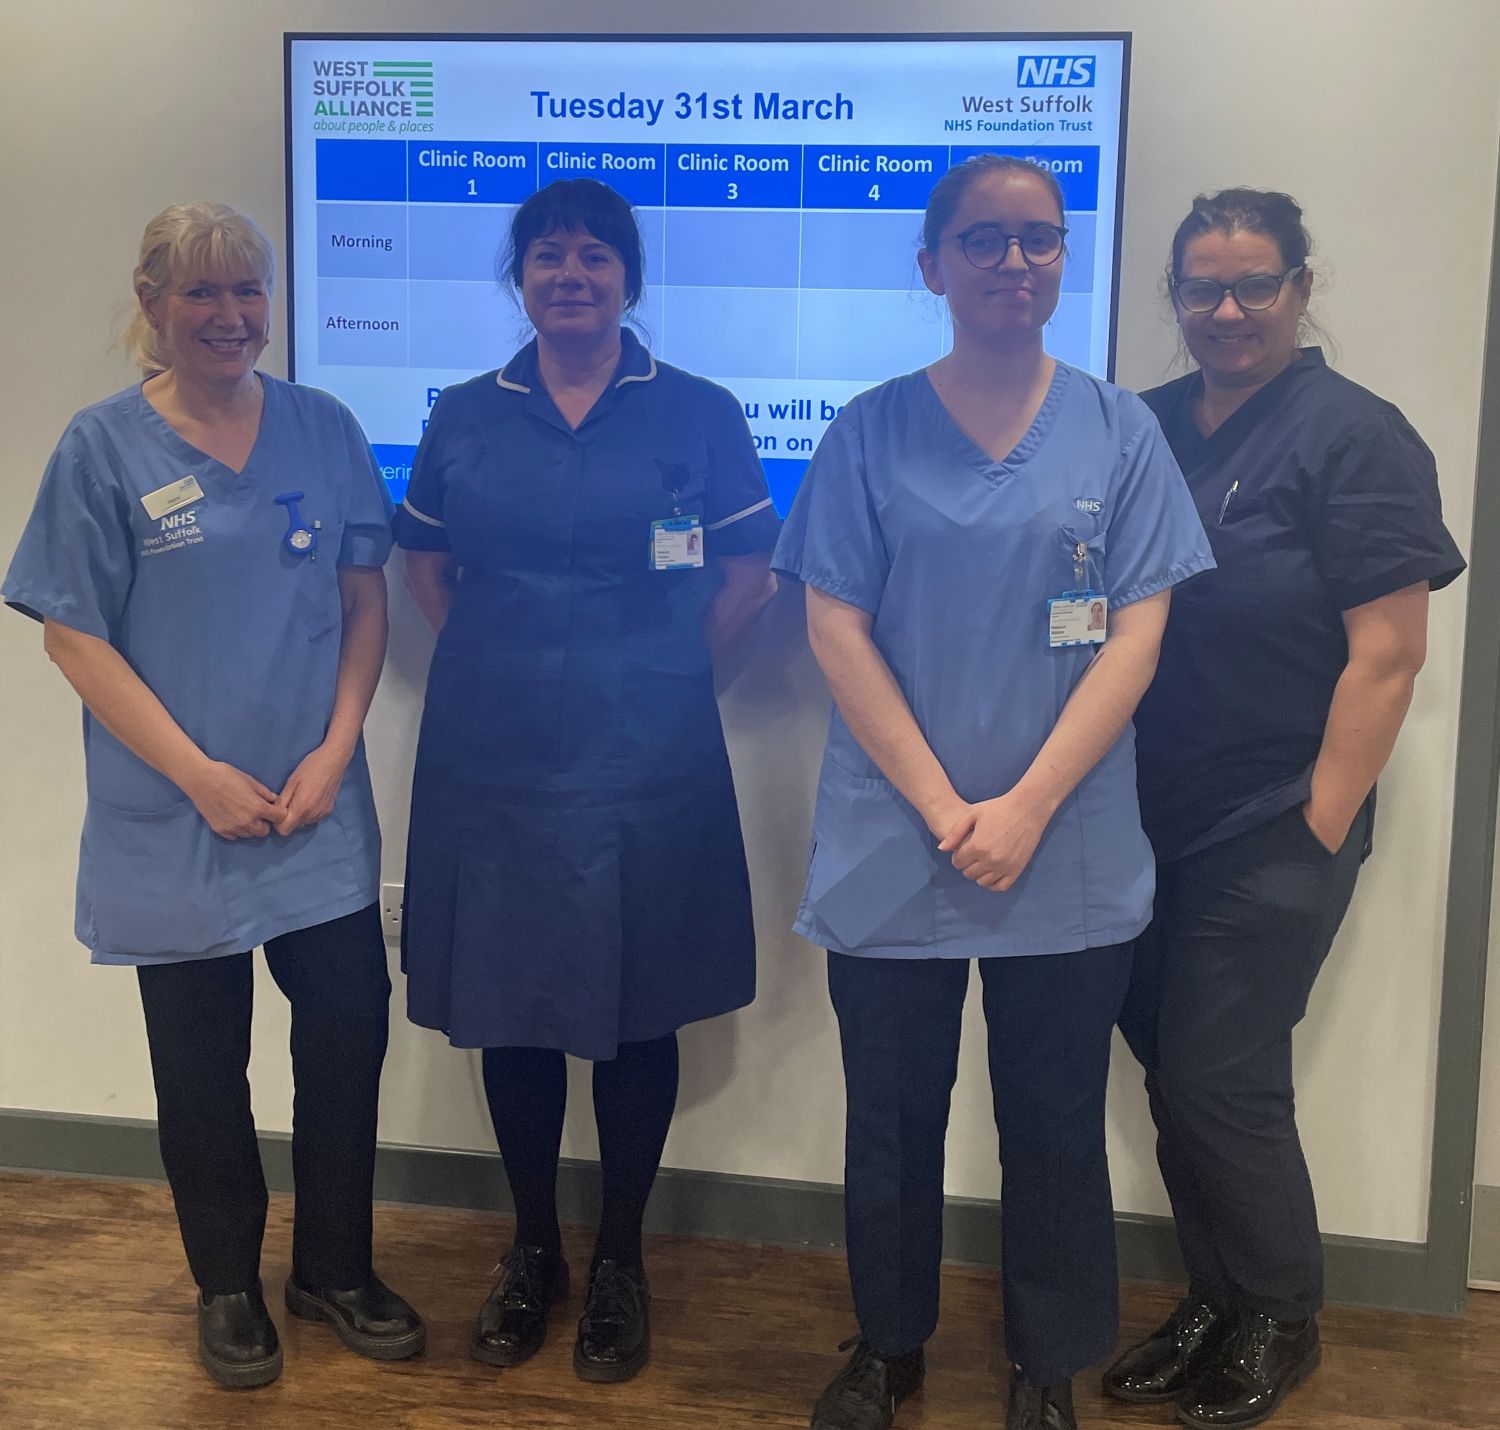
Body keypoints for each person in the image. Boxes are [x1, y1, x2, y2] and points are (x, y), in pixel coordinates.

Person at [771, 154, 1214, 1430]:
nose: (1015, 264)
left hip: (1061, 842)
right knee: (893, 1118)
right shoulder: (867, 429)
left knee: (1056, 1124)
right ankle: (890, 1343)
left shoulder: (1120, 430)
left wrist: (1022, 807)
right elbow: (836, 626)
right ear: (931, 266)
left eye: (1040, 241)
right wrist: (940, 802)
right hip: (895, 837)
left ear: (1063, 259)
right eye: (984, 242)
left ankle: (1046, 1363)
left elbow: (1138, 633)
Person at [2, 203, 424, 1388]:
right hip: (176, 814)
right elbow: (72, 638)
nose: (231, 316)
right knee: (201, 1063)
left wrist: (340, 744)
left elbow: (363, 600)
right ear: (151, 302)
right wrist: (197, 774)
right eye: (201, 294)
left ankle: (334, 1265)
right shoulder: (101, 449)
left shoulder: (323, 428)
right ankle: (229, 1284)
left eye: (249, 290)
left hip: (312, 804)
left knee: (346, 1036)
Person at [394, 178, 779, 1385]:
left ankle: (620, 1259)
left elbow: (749, 576)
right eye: (549, 255)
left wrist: (656, 676)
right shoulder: (462, 412)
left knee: (635, 1006)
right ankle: (530, 1249)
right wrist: (518, 672)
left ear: (630, 278)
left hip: (648, 763)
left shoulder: (702, 411)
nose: (572, 274)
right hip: (491, 759)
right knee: (507, 1005)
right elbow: (427, 568)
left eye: (596, 256)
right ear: (520, 278)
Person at [1108, 189, 1464, 1430]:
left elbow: (1391, 654)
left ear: (1302, 288)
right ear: (1174, 298)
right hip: (1137, 819)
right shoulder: (1144, 426)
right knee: (1171, 1069)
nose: (1228, 310)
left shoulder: (1352, 434)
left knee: (1223, 1073)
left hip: (1269, 819)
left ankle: (1281, 1313)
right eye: (1202, 287)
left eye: (1256, 283)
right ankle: (1212, 1297)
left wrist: (1316, 816)